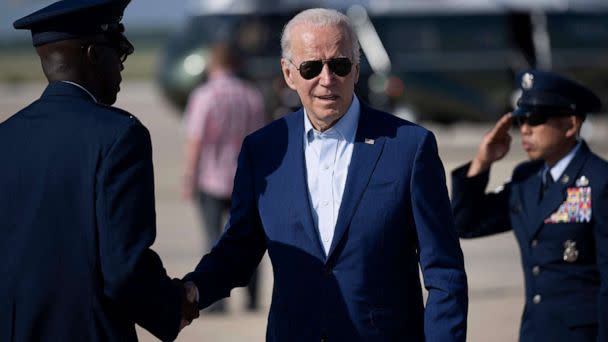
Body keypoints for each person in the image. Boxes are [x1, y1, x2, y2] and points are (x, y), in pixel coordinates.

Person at [183, 8, 468, 341]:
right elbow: (238, 250)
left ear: (357, 70)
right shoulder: (262, 150)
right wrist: (191, 291)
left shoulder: (409, 147)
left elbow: (444, 272)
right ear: (288, 74)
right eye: (311, 67)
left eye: (340, 65)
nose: (327, 79)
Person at [0, 0, 198, 340]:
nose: (121, 69)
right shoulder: (119, 136)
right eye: (118, 55)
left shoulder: (7, 135)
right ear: (92, 54)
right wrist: (172, 306)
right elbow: (122, 268)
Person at [451, 70, 607, 342]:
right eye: (521, 119)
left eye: (536, 119)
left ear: (570, 125)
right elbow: (467, 223)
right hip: (535, 333)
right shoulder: (527, 179)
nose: (524, 129)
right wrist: (482, 162)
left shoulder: (599, 181)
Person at [182, 42, 265, 313]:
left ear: (213, 63)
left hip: (211, 177)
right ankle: (252, 299)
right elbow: (261, 138)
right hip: (244, 178)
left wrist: (190, 176)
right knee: (250, 241)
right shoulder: (252, 95)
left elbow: (196, 140)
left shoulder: (204, 95)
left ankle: (215, 300)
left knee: (214, 239)